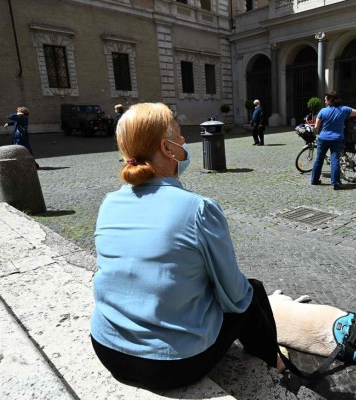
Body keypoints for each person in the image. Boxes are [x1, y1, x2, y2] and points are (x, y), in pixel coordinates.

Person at [90, 102, 284, 390]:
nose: (184, 141)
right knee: (250, 291)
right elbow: (234, 294)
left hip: (107, 349)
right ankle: (275, 363)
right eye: (179, 135)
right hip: (170, 367)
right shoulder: (198, 209)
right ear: (167, 149)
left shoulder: (108, 203)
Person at [311, 91, 356, 190]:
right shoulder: (344, 110)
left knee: (319, 159)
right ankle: (336, 183)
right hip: (337, 139)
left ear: (330, 100)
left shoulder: (322, 111)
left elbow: (316, 127)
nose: (324, 101)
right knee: (335, 160)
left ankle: (314, 180)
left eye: (326, 99)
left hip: (323, 139)